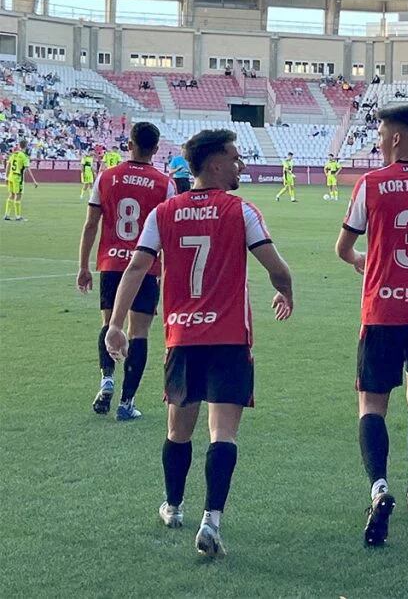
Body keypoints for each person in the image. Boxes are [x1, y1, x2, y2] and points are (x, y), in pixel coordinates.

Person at [105, 129, 294, 558]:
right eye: (234, 158)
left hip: (183, 336)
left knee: (178, 430)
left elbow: (136, 268)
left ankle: (173, 506)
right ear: (213, 164)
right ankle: (212, 519)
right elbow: (275, 267)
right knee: (222, 433)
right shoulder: (241, 211)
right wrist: (286, 291)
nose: (240, 164)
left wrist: (115, 325)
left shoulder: (164, 212)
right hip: (229, 338)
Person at [335, 106, 408, 545]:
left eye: (383, 134)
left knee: (372, 403)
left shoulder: (371, 184)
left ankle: (379, 486)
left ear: (399, 138)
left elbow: (343, 247)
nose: (379, 141)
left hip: (381, 312)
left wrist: (361, 261)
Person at [77, 122, 175, 420]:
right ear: (156, 149)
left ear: (128, 144)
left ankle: (106, 379)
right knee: (139, 333)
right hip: (145, 267)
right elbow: (170, 234)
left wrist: (83, 266)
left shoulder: (107, 177)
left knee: (109, 324)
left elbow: (91, 224)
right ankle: (126, 403)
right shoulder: (164, 183)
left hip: (111, 264)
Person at [4, 142, 38, 221]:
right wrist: (34, 181)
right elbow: (28, 169)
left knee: (11, 195)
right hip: (18, 177)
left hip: (11, 177)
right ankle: (18, 216)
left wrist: (6, 176)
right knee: (18, 196)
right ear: (25, 147)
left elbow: (8, 165)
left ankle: (7, 214)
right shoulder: (24, 156)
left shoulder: (14, 154)